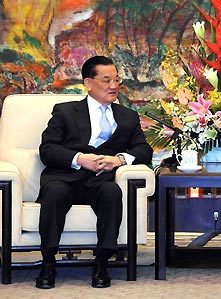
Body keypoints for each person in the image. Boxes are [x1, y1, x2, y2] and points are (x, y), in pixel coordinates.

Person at [35, 56, 153, 289]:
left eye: (116, 80)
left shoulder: (127, 116)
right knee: (54, 192)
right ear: (88, 83)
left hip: (100, 180)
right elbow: (47, 149)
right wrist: (80, 159)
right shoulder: (65, 111)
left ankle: (102, 263)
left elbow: (144, 150)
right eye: (106, 80)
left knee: (111, 192)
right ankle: (47, 262)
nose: (113, 86)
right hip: (65, 177)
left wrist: (118, 159)